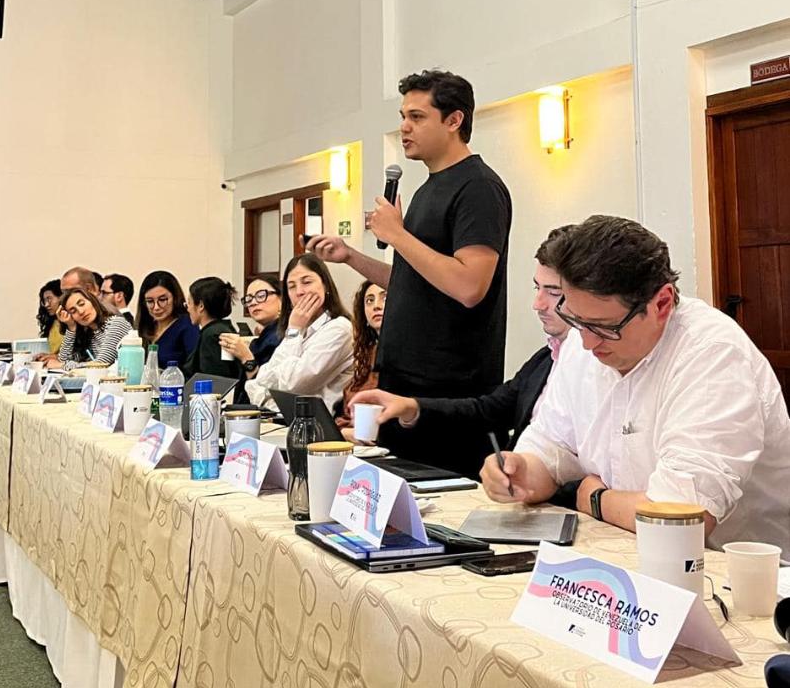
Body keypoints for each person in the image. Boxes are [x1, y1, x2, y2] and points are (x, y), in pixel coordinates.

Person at [480, 215, 790, 557]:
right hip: (627, 553)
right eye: (576, 321)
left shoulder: (712, 354)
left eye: (604, 327)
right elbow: (552, 447)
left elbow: (683, 518)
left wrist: (595, 499)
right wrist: (520, 471)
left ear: (662, 303)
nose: (587, 343)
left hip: (736, 570)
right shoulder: (582, 342)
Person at [308, 69, 511, 477]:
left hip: (448, 392)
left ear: (454, 120)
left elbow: (469, 286)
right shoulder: (426, 190)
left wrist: (397, 235)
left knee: (437, 504)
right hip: (403, 383)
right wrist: (351, 257)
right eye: (403, 116)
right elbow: (413, 283)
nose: (404, 127)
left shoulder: (478, 188)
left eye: (417, 117)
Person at [350, 228, 578, 494]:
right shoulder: (545, 360)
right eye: (537, 288)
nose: (537, 304)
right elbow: (488, 410)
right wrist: (412, 406)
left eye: (553, 292)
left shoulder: (598, 369)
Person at [236, 254, 352, 412]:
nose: (299, 292)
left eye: (307, 282)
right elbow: (260, 380)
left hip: (321, 422)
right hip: (286, 418)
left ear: (325, 285)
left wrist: (294, 330)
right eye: (291, 286)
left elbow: (294, 385)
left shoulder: (339, 328)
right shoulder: (299, 329)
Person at [336, 280, 386, 430]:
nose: (376, 305)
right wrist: (344, 431)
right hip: (356, 437)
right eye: (369, 300)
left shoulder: (410, 354)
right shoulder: (367, 353)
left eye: (385, 298)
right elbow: (348, 415)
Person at [44, 288, 132, 370]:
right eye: (73, 311)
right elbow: (63, 359)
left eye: (82, 304)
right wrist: (71, 327)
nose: (81, 311)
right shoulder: (88, 333)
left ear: (92, 301)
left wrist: (62, 366)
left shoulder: (116, 324)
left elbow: (101, 364)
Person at [183, 277, 245, 391]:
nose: (188, 309)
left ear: (201, 306)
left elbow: (215, 380)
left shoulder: (211, 335)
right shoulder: (223, 329)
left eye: (189, 303)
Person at [217, 273, 282, 380]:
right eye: (249, 299)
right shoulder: (267, 334)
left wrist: (246, 356)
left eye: (261, 296)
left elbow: (266, 384)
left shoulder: (284, 335)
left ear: (281, 298)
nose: (253, 303)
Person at [135, 270, 199, 369]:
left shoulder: (187, 326)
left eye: (162, 300)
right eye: (150, 301)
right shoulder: (145, 326)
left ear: (175, 298)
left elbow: (194, 368)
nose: (156, 307)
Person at [36, 279, 64, 355]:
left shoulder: (72, 323)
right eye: (44, 301)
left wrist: (56, 356)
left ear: (61, 297)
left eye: (49, 299)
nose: (46, 305)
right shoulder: (51, 323)